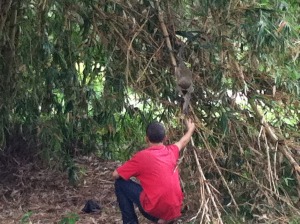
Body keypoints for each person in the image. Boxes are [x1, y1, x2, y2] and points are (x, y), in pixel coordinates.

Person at [112, 118, 196, 224]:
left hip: (155, 209)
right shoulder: (171, 151)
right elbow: (183, 141)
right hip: (174, 210)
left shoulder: (142, 156)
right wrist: (191, 129)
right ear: (165, 138)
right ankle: (165, 219)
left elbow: (115, 174)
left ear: (146, 138)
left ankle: (132, 222)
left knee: (120, 183)